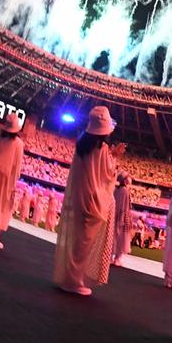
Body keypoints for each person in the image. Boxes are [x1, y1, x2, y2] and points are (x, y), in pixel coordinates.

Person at [53, 106, 119, 296]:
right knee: (83, 244)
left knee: (78, 241)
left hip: (80, 197)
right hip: (93, 201)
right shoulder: (101, 148)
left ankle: (69, 277)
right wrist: (114, 158)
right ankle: (73, 281)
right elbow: (106, 175)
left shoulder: (83, 144)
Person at [0, 112, 25, 250]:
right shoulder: (18, 143)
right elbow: (17, 166)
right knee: (0, 207)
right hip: (5, 179)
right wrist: (14, 182)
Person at [112, 171, 134, 266]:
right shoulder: (125, 191)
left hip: (115, 216)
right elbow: (125, 207)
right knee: (122, 239)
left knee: (114, 238)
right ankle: (117, 258)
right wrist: (123, 219)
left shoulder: (116, 190)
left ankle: (112, 257)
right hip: (122, 218)